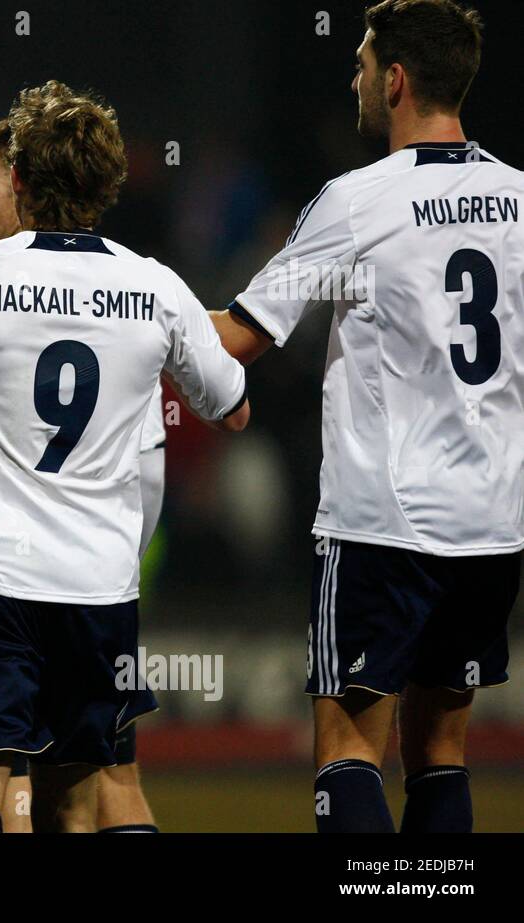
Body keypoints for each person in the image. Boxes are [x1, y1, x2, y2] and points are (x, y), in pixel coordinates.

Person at [0, 81, 249, 832]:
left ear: (24, 180)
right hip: (99, 590)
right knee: (80, 795)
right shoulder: (154, 284)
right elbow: (230, 405)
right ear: (107, 182)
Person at [209, 0, 521, 832]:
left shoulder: (358, 198)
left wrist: (129, 311)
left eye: (360, 64)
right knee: (442, 753)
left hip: (383, 523)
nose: (352, 79)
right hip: (490, 524)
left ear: (396, 79)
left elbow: (238, 336)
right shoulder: (520, 198)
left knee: (348, 747)